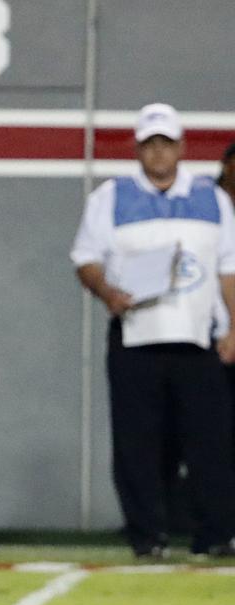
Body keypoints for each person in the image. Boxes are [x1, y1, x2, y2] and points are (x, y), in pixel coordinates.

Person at [71, 102, 235, 559]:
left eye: (166, 144)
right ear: (138, 149)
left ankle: (215, 534)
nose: (158, 153)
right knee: (137, 444)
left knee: (210, 442)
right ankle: (147, 536)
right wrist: (107, 292)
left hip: (197, 339)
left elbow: (229, 269)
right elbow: (85, 259)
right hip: (136, 337)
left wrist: (234, 328)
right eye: (150, 145)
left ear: (181, 147)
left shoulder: (212, 199)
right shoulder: (110, 198)